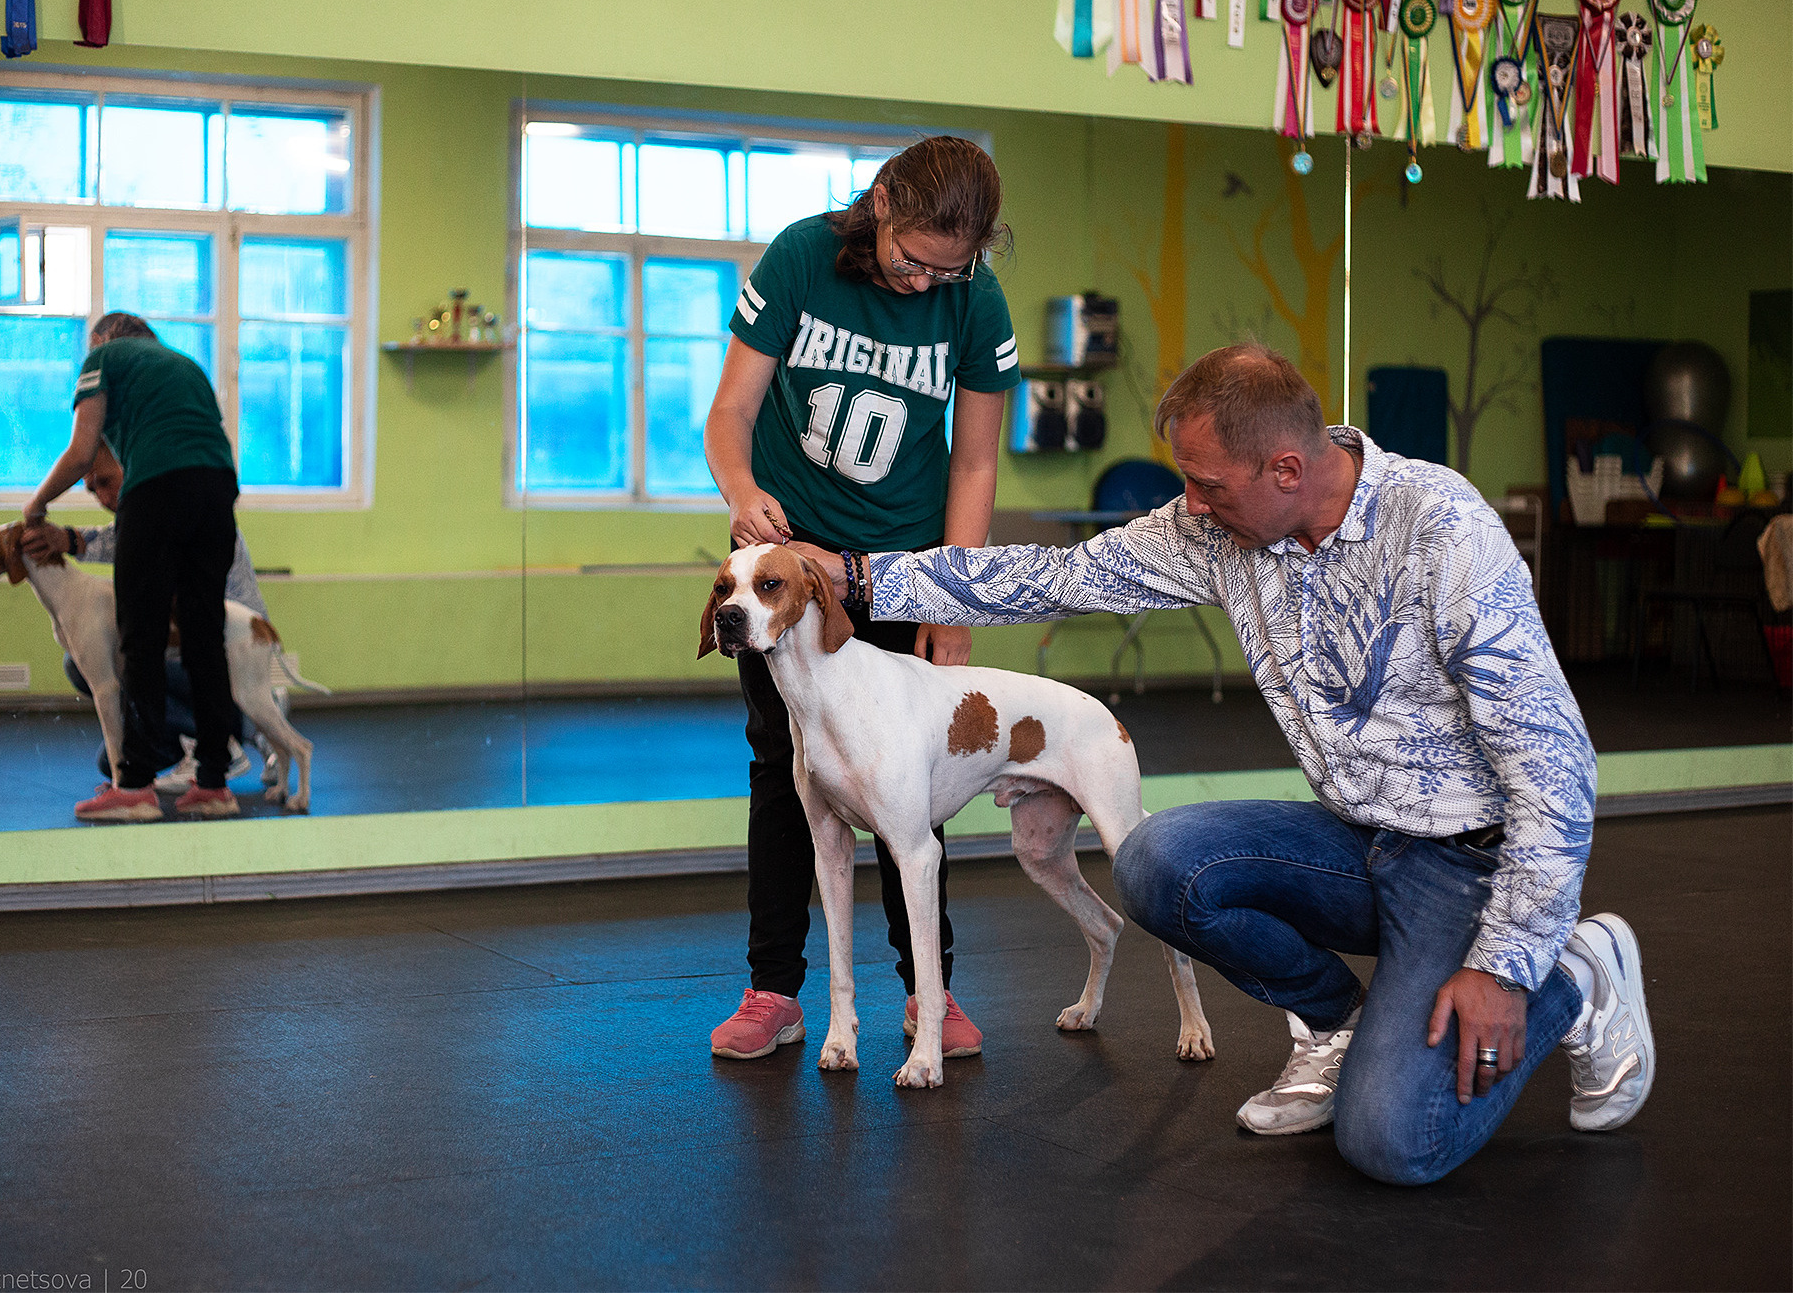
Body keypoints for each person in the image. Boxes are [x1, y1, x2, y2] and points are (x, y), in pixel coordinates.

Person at [800, 344, 1653, 1185]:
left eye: (1208, 485)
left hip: (1463, 864)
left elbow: (1554, 764)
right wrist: (861, 579)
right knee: (1155, 862)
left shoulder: (1442, 529)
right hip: (1357, 841)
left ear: (1286, 470)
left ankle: (1578, 975)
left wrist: (1506, 963)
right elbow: (1057, 576)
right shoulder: (1217, 529)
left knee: (1395, 1141)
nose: (1192, 505)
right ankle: (1336, 1022)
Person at [701, 135, 1024, 1061]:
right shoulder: (802, 257)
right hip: (791, 561)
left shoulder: (974, 299)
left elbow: (974, 462)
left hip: (901, 569)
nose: (927, 283)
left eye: (948, 270)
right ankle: (774, 990)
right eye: (915, 260)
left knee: (905, 781)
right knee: (783, 767)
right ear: (882, 204)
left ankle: (930, 993)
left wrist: (953, 600)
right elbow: (731, 412)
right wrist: (740, 492)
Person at [23, 311, 243, 823]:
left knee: (139, 635)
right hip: (217, 488)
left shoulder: (103, 358)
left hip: (158, 486)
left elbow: (83, 452)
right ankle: (214, 784)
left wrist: (36, 505)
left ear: (103, 339)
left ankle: (137, 788)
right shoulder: (186, 365)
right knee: (204, 635)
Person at [23, 441, 271, 793]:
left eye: (106, 482)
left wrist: (57, 528)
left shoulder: (180, 514)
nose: (103, 498)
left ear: (133, 468)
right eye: (92, 490)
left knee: (120, 662)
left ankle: (224, 741)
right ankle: (229, 728)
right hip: (196, 658)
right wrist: (67, 538)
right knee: (111, 759)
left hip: (226, 659)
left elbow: (132, 540)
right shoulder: (149, 518)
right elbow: (119, 538)